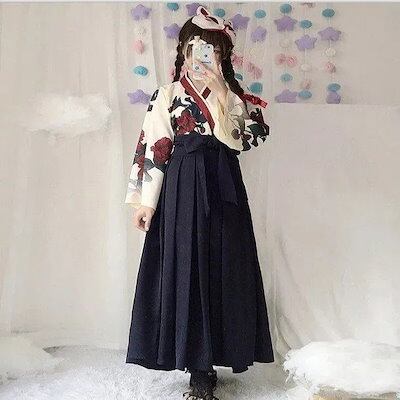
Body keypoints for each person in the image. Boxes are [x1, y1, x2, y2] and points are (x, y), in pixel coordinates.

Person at [124, 6, 274, 400]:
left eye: (212, 51)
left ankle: (221, 354)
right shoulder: (168, 95)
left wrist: (224, 95)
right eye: (195, 50)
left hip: (224, 186)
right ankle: (197, 366)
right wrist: (146, 203)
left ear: (223, 57)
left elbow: (247, 139)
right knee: (186, 266)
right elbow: (155, 146)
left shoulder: (235, 97)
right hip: (181, 187)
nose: (202, 58)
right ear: (184, 52)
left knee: (224, 265)